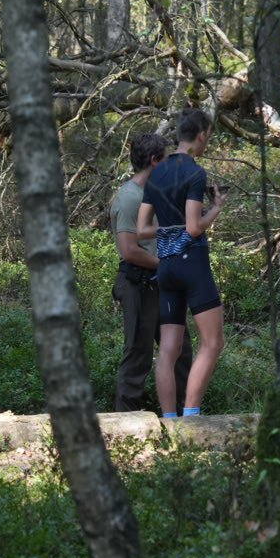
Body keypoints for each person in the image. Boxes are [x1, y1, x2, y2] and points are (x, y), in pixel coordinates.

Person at [137, 109, 227, 418]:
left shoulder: (157, 172)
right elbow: (192, 227)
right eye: (208, 137)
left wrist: (168, 230)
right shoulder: (194, 172)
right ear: (201, 135)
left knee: (168, 348)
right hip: (192, 264)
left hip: (166, 267)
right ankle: (190, 414)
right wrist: (216, 209)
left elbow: (142, 229)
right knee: (213, 342)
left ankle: (168, 418)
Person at [109, 133, 192, 411]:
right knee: (138, 353)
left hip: (163, 284)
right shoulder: (130, 198)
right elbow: (129, 250)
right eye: (165, 159)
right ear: (155, 161)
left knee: (180, 350)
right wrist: (166, 264)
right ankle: (127, 423)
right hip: (139, 285)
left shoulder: (157, 194)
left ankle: (180, 415)